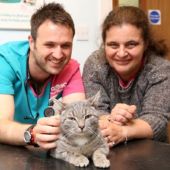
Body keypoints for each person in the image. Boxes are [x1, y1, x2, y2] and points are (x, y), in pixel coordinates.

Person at [0, 3, 85, 149]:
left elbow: (78, 124)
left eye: (65, 45)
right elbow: (2, 124)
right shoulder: (5, 61)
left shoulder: (71, 68)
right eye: (50, 45)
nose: (58, 55)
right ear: (32, 42)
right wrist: (33, 133)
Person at [83, 6, 170, 147]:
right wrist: (113, 117)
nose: (122, 53)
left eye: (131, 44)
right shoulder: (95, 65)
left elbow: (156, 120)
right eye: (113, 45)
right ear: (104, 44)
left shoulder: (160, 69)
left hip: (150, 151)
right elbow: (95, 111)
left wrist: (123, 131)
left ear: (145, 44)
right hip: (108, 149)